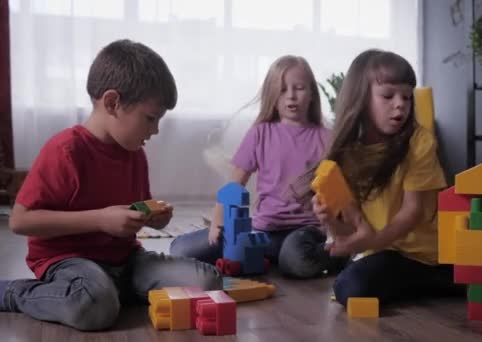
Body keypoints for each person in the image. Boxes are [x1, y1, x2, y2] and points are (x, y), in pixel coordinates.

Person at [308, 49, 482, 315]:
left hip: (442, 254)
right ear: (359, 99)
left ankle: (439, 282)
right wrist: (329, 219)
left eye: (407, 97)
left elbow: (412, 211)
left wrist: (370, 240)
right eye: (388, 96)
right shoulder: (347, 155)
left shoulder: (419, 141)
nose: (400, 104)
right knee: (349, 288)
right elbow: (349, 227)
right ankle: (433, 283)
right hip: (394, 256)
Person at [0, 39, 221, 331]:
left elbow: (136, 207)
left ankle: (114, 292)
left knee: (208, 281)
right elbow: (20, 221)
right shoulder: (65, 150)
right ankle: (14, 292)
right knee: (93, 307)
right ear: (112, 103)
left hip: (127, 260)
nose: (155, 130)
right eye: (151, 118)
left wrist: (153, 219)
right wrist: (101, 220)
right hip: (69, 261)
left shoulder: (134, 154)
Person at [170, 55, 345, 278]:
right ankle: (271, 257)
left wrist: (336, 233)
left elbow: (337, 196)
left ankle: (338, 255)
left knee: (296, 261)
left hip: (305, 233)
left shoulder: (326, 138)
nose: (290, 95)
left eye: (299, 88)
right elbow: (234, 186)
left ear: (311, 93)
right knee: (181, 250)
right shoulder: (259, 133)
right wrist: (218, 222)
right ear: (272, 95)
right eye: (282, 89)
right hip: (263, 231)